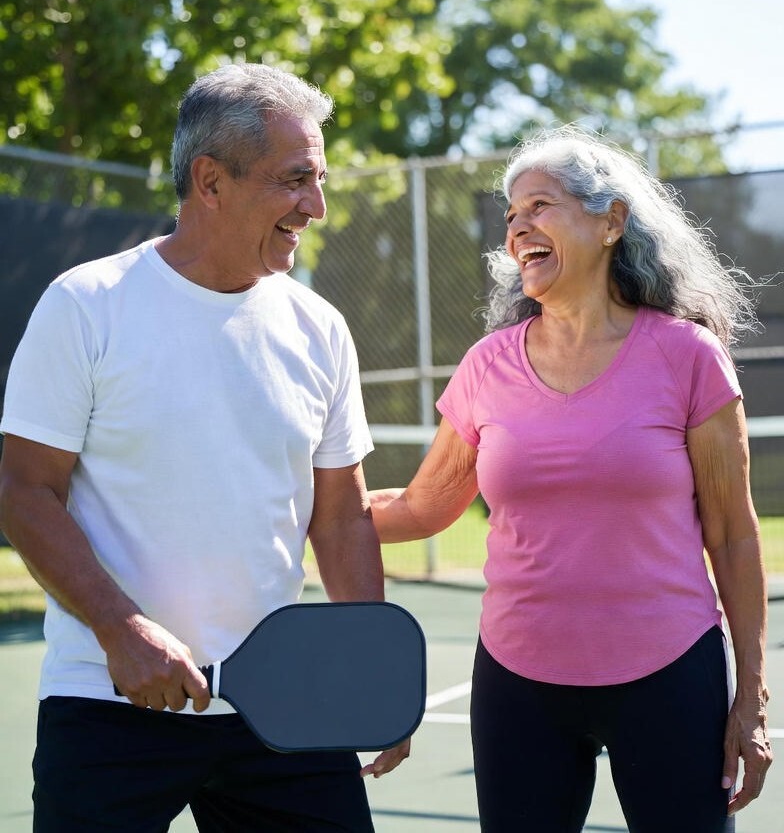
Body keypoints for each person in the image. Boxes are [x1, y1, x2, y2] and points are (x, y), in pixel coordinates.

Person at [0, 62, 408, 833]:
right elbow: (25, 492)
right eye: (295, 180)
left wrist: (370, 672)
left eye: (319, 181)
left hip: (281, 709)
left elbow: (341, 516)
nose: (316, 207)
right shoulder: (85, 306)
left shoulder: (320, 329)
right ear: (211, 181)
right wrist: (121, 630)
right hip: (107, 702)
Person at [370, 126, 772, 832]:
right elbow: (421, 507)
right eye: (511, 215)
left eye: (540, 206)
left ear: (611, 221)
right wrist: (294, 505)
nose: (517, 226)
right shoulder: (487, 365)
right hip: (517, 682)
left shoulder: (688, 357)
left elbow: (735, 535)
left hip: (671, 673)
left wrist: (752, 696)